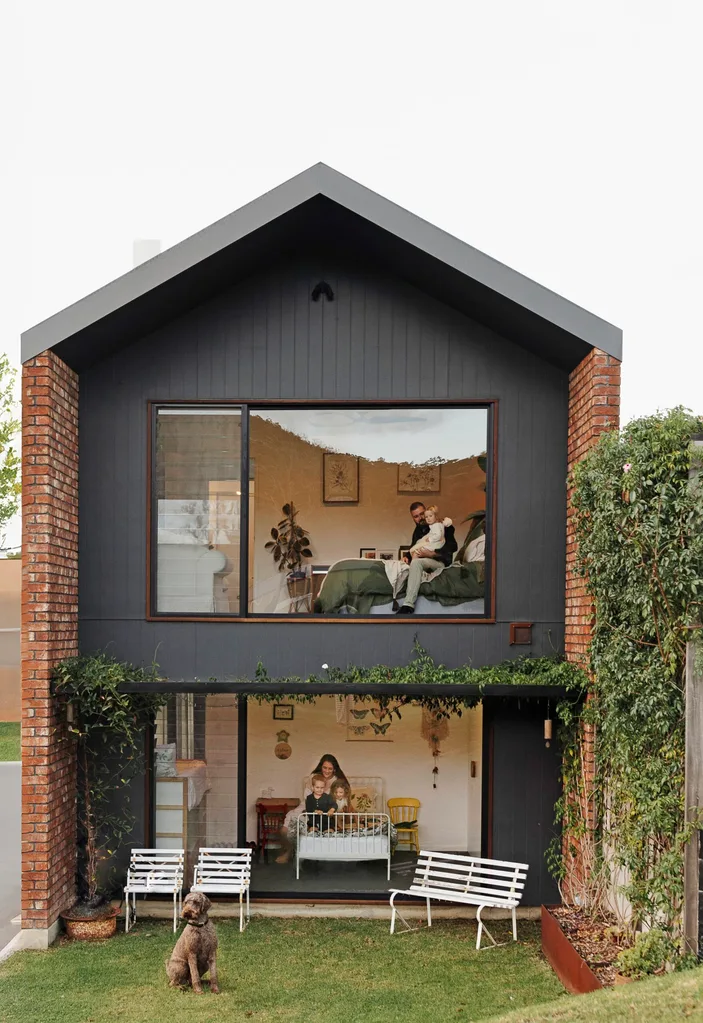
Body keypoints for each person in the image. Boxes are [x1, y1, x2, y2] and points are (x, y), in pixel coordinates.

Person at [275, 754, 348, 862]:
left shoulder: (336, 781)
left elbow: (338, 799)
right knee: (285, 828)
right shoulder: (313, 777)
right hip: (309, 805)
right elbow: (307, 797)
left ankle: (304, 853)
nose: (327, 771)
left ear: (334, 769)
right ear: (320, 766)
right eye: (324, 767)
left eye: (330, 768)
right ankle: (289, 851)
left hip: (326, 810)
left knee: (314, 824)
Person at [397, 502, 457, 615]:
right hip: (423, 562)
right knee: (404, 565)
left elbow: (453, 546)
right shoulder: (418, 530)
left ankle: (408, 605)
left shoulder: (443, 526)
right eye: (416, 516)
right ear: (413, 518)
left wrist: (433, 554)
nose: (420, 518)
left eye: (422, 514)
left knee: (416, 563)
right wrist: (406, 557)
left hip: (439, 562)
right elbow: (414, 546)